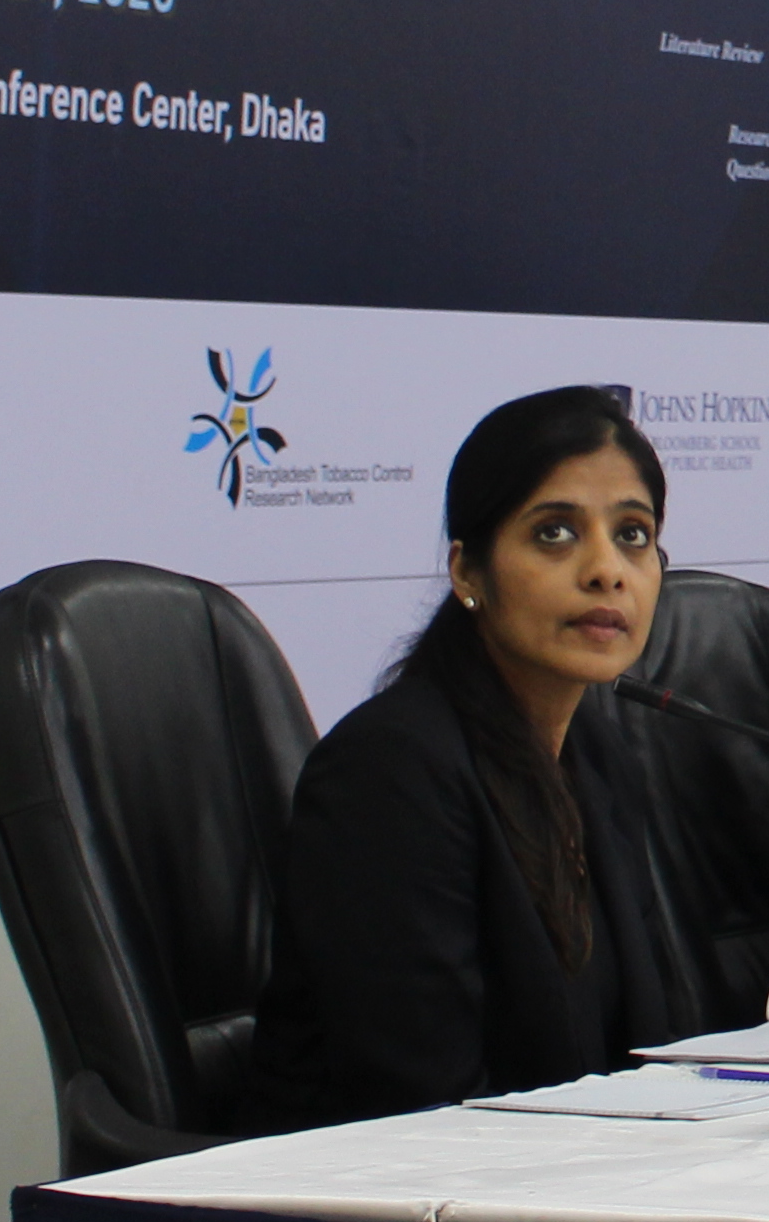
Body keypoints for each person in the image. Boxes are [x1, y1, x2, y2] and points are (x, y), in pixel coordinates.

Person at [252, 388, 741, 1124]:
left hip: (576, 1188)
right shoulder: (389, 772)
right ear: (468, 573)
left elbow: (643, 1051)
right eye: (554, 533)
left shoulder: (594, 753)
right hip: (387, 1213)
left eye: (633, 535)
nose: (607, 570)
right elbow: (418, 1103)